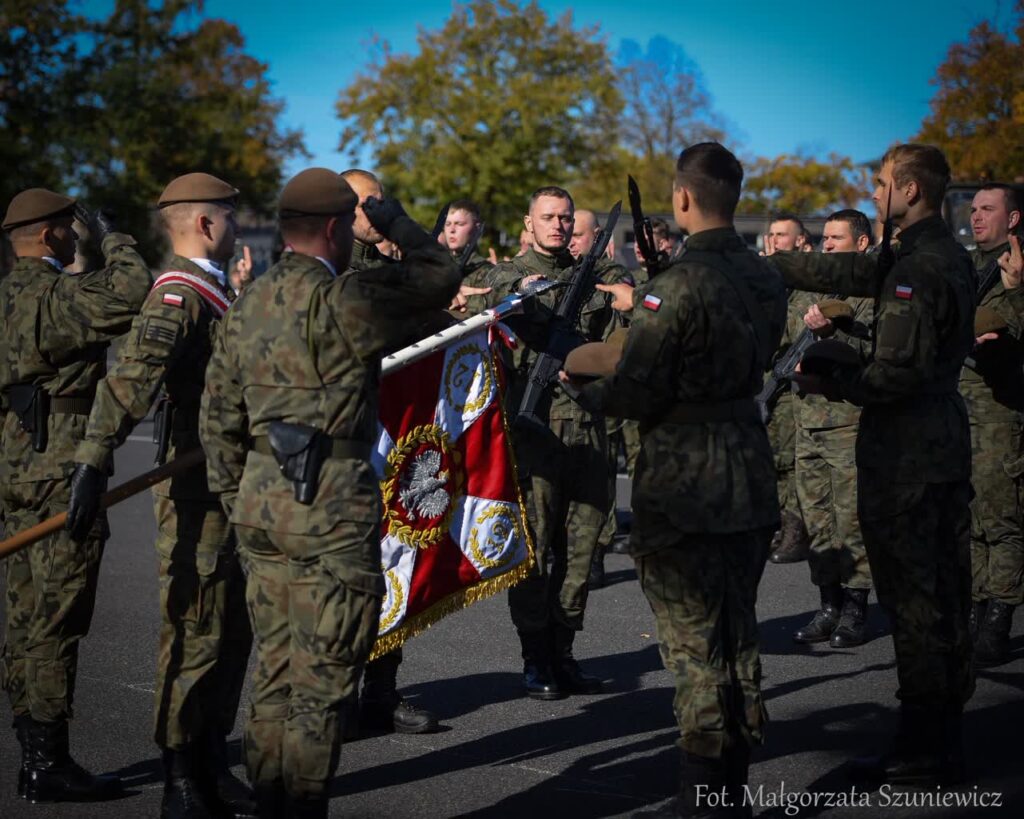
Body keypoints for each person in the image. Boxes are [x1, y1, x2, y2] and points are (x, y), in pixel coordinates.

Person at [199, 168, 459, 816]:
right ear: (340, 228)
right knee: (320, 686)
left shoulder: (247, 306)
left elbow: (217, 423)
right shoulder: (347, 298)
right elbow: (439, 275)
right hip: (331, 512)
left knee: (276, 673)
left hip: (260, 511)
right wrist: (391, 216)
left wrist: (243, 499)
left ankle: (268, 798)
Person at [571, 142, 786, 817]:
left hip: (686, 479)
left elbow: (637, 385)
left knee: (694, 647)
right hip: (747, 468)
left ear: (683, 199)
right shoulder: (764, 277)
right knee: (738, 633)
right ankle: (733, 790)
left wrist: (582, 392)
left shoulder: (678, 284)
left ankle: (703, 798)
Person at [768, 143, 976, 786]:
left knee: (917, 600)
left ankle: (923, 744)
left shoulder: (921, 268)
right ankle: (938, 726)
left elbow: (896, 375)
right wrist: (778, 264)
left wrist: (839, 381)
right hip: (932, 442)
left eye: (884, 184)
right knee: (938, 594)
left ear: (910, 191)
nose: (878, 192)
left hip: (910, 451)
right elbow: (854, 276)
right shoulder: (927, 253)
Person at [66, 173, 255, 818]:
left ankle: (209, 760)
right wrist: (93, 463)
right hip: (196, 494)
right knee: (196, 628)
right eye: (230, 216)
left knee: (232, 632)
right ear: (206, 224)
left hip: (230, 487)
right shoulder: (177, 295)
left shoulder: (217, 290)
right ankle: (180, 775)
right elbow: (131, 382)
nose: (235, 226)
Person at [0, 187, 152, 803]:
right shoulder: (59, 298)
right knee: (58, 616)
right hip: (61, 465)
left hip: (14, 463)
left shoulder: (6, 294)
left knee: (24, 610)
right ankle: (47, 762)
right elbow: (135, 289)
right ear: (50, 235)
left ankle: (33, 750)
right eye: (69, 227)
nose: (75, 235)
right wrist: (113, 236)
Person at [486, 188, 612, 700]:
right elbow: (494, 285)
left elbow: (619, 343)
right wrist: (524, 286)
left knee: (580, 552)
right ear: (529, 222)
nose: (558, 225)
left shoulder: (599, 279)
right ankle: (535, 657)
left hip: (585, 430)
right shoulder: (510, 275)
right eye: (548, 217)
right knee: (534, 551)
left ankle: (564, 653)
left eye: (565, 217)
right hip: (533, 433)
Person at [337, 168, 445, 735]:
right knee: (343, 578)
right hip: (347, 444)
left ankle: (382, 689)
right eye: (360, 206)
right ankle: (336, 694)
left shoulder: (397, 268)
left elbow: (436, 317)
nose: (371, 215)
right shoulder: (333, 275)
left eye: (379, 203)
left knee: (394, 562)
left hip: (398, 440)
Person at [789, 209, 874, 648]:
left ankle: (856, 609)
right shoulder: (810, 288)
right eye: (824, 238)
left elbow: (871, 350)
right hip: (808, 419)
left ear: (861, 244)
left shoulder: (872, 294)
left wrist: (830, 337)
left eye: (837, 238)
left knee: (851, 520)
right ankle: (828, 605)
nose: (827, 245)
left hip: (847, 422)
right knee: (818, 520)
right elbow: (786, 342)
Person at [963, 183, 1024, 667]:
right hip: (962, 411)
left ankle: (998, 618)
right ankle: (976, 610)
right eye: (974, 209)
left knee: (1001, 523)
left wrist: (1017, 292)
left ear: (1014, 218)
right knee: (969, 521)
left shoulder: (1017, 271)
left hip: (1001, 413)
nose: (977, 216)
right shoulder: (972, 268)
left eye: (988, 209)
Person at [568, 209, 634, 589]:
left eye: (579, 234)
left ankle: (594, 551)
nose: (572, 239)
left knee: (599, 476)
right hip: (561, 392)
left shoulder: (611, 278)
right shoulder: (559, 273)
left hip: (598, 389)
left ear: (598, 239)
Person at [763, 214, 812, 563]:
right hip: (766, 380)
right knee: (771, 458)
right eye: (773, 234)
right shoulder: (765, 280)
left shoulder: (809, 284)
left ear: (800, 242)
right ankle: (780, 524)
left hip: (796, 385)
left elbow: (789, 331)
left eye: (784, 235)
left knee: (791, 462)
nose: (776, 240)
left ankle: (796, 531)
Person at [443, 199, 493, 315]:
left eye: (459, 224)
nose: (452, 230)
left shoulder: (487, 272)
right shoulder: (434, 267)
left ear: (477, 228)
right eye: (447, 224)